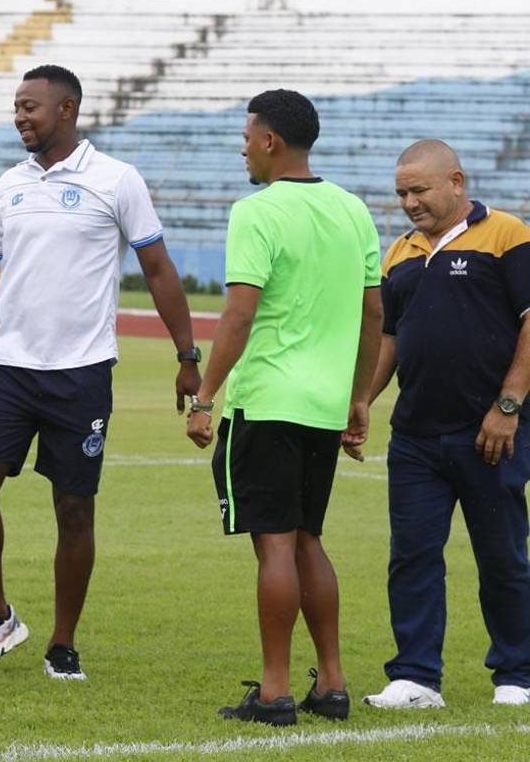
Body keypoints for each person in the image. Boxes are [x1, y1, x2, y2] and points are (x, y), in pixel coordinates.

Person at [0, 65, 201, 680]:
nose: (20, 116)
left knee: (74, 508)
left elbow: (158, 269)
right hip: (10, 366)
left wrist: (186, 356)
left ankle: (62, 643)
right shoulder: (11, 183)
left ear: (68, 109)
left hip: (81, 373)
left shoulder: (116, 180)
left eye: (31, 106)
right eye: (16, 107)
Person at [186, 89, 383, 726]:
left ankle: (273, 693)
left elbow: (240, 312)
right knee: (307, 542)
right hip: (325, 405)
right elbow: (373, 313)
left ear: (270, 140)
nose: (242, 145)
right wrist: (358, 396)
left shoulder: (257, 211)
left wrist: (204, 395)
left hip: (267, 399)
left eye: (247, 134)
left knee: (274, 545)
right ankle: (332, 684)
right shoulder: (353, 209)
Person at [359, 139, 530, 709]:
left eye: (419, 190)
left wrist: (507, 407)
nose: (408, 203)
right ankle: (415, 678)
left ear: (455, 181)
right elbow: (390, 338)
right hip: (414, 438)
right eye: (401, 193)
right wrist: (363, 400)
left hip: (490, 434)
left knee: (502, 555)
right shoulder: (400, 253)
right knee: (411, 554)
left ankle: (518, 675)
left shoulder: (508, 234)